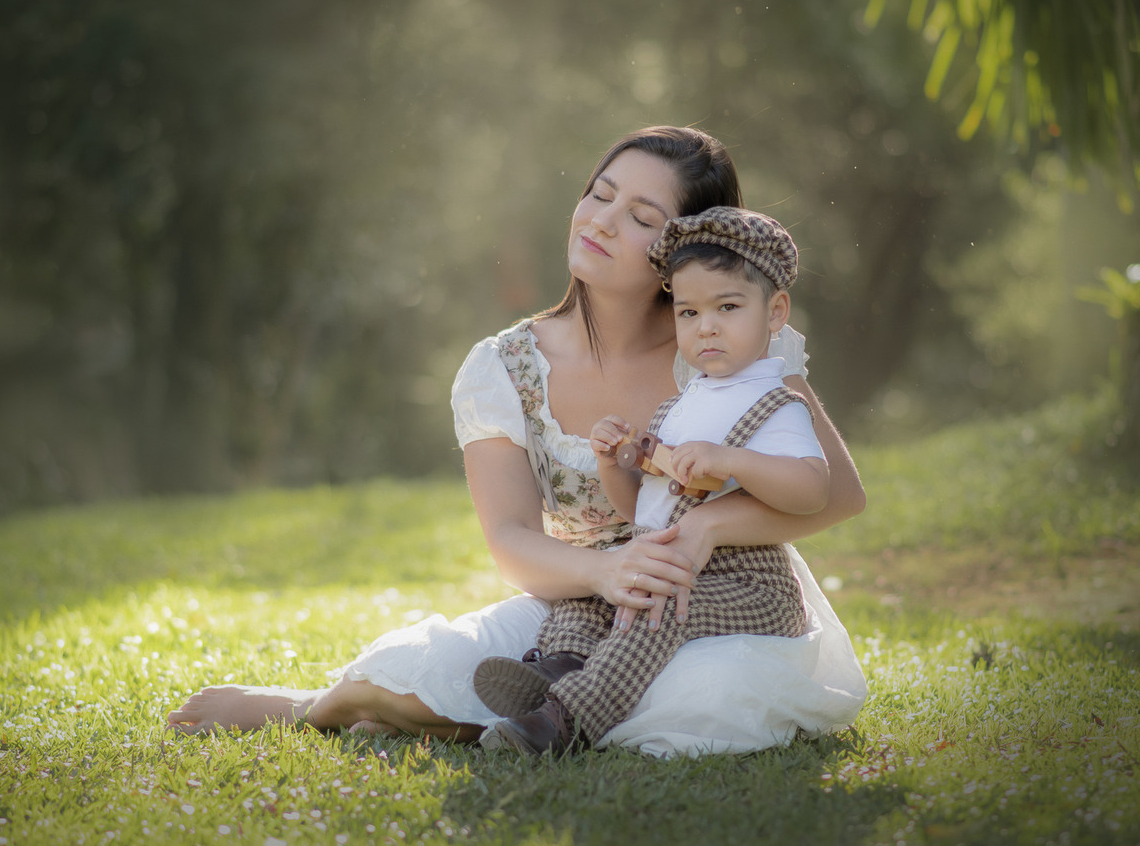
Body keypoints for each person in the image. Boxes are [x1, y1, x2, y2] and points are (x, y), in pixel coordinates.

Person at [166, 126, 868, 757]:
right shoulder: (504, 366)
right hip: (572, 598)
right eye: (600, 194)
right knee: (432, 665)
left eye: (641, 217)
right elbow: (508, 539)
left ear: (681, 249)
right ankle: (316, 705)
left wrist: (711, 523)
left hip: (714, 603)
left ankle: (509, 717)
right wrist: (606, 572)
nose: (602, 220)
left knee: (707, 694)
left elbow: (837, 496)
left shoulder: (725, 340)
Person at [475, 206, 833, 755]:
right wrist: (614, 462)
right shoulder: (678, 407)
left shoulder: (775, 402)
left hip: (750, 583)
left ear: (775, 311)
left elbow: (813, 488)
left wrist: (732, 460)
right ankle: (558, 669)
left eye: (728, 307)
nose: (706, 326)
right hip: (665, 559)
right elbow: (635, 512)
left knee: (655, 603)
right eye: (688, 312)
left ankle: (563, 721)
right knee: (586, 600)